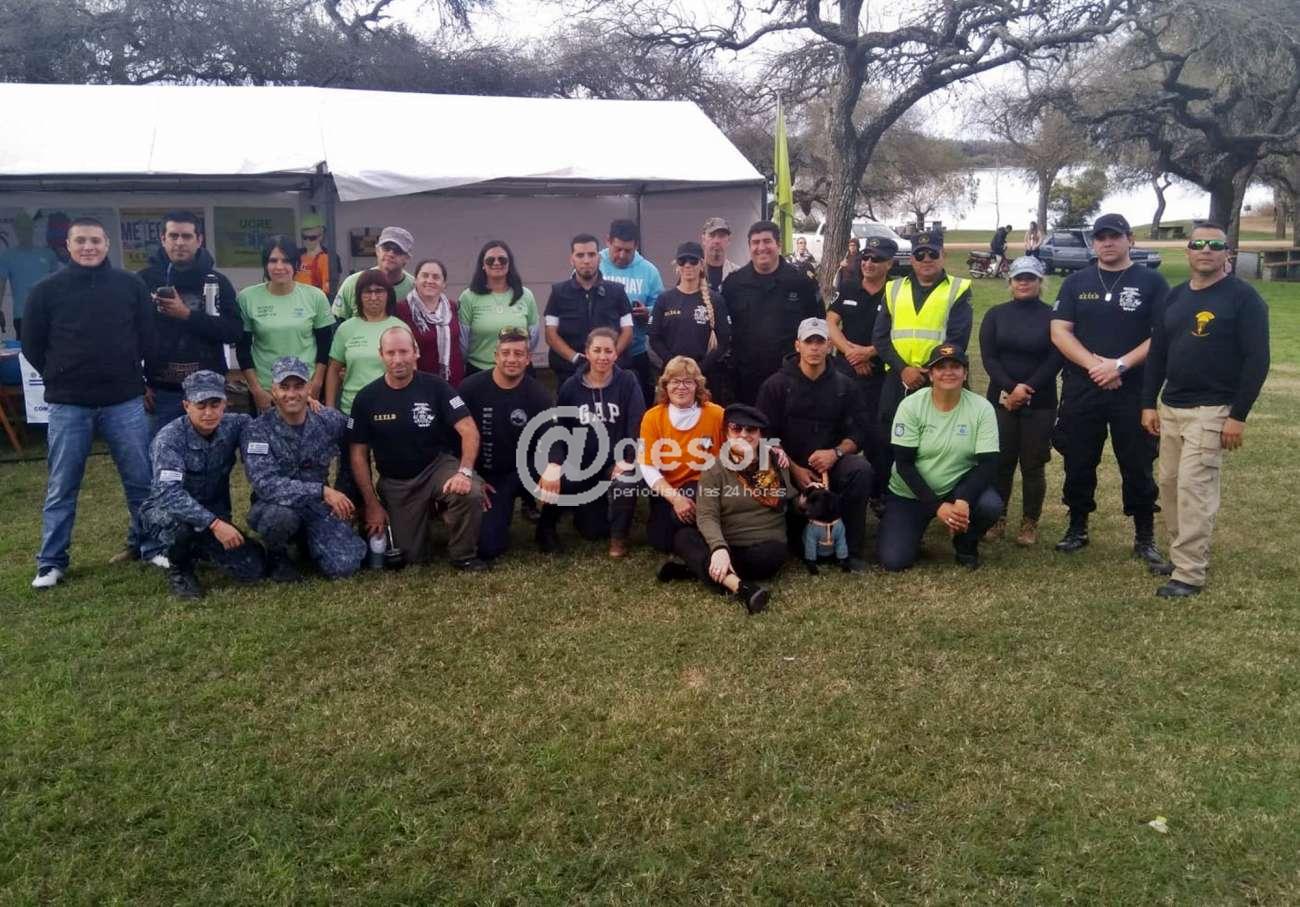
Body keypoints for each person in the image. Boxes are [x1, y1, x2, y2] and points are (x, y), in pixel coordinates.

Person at [23, 217, 166, 588]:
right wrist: (59, 375)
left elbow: (148, 336)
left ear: (107, 245)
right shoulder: (45, 290)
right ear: (68, 246)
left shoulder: (130, 285)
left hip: (124, 401)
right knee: (62, 485)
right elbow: (32, 344)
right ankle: (51, 563)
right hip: (69, 404)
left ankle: (151, 546)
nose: (89, 247)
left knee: (140, 480)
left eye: (95, 241)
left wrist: (132, 373)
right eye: (81, 241)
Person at [1141, 224, 1270, 598]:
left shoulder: (1244, 298)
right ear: (1188, 251)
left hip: (1212, 410)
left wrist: (1238, 416)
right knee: (1169, 485)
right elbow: (1158, 354)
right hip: (1172, 408)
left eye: (1215, 244)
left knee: (1194, 490)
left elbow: (1257, 360)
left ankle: (1189, 573)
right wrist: (1148, 403)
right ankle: (1180, 556)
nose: (1206, 250)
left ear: (1228, 253)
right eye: (1198, 243)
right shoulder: (1175, 296)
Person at [1050, 212, 1170, 567]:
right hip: (1082, 386)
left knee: (1137, 461)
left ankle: (1144, 535)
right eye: (1100, 237)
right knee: (1078, 458)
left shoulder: (1152, 282)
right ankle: (1077, 526)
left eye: (1114, 236)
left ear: (1129, 239)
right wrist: (1096, 367)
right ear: (1094, 243)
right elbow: (1059, 331)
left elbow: (1161, 334)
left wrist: (1120, 365)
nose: (1107, 243)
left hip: (1133, 388)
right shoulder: (1076, 282)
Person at [348, 326, 489, 571]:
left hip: (435, 467)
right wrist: (371, 504)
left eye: (404, 351)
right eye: (391, 353)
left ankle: (463, 555)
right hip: (397, 481)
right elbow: (358, 454)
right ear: (381, 355)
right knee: (410, 556)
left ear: (416, 352)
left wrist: (464, 472)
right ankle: (427, 515)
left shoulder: (437, 386)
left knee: (470, 492)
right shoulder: (366, 398)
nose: (398, 359)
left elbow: (469, 430)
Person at [756, 317, 872, 572]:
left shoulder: (845, 385)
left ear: (829, 345)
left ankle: (850, 551)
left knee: (860, 469)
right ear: (798, 345)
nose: (815, 348)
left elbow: (859, 433)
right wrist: (794, 468)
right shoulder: (775, 386)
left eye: (820, 341)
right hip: (785, 466)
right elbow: (764, 438)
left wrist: (836, 453)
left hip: (830, 465)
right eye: (809, 341)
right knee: (763, 471)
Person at [138, 370, 266, 599]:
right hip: (168, 512)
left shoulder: (237, 424)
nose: (208, 413)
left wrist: (307, 404)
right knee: (182, 530)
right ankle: (180, 570)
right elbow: (169, 494)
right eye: (201, 405)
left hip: (213, 513)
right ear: (186, 405)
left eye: (215, 404)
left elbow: (270, 425)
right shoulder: (169, 439)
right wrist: (215, 524)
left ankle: (201, 547)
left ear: (225, 404)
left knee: (253, 569)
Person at [657, 403, 795, 614]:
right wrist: (719, 548)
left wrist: (811, 499)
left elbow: (791, 499)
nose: (743, 435)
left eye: (751, 429)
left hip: (764, 545)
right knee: (683, 537)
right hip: (727, 541)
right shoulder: (714, 468)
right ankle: (743, 588)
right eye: (736, 428)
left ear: (760, 434)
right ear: (727, 433)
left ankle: (695, 569)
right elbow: (707, 515)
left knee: (772, 556)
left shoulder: (777, 461)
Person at [878, 344, 1002, 571]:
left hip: (955, 489)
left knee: (989, 505)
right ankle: (912, 532)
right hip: (911, 493)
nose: (948, 372)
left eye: (955, 366)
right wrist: (937, 506)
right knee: (894, 561)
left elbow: (988, 464)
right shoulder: (911, 405)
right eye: (941, 367)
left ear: (965, 373)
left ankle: (965, 544)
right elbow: (904, 465)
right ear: (930, 374)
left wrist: (963, 500)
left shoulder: (982, 408)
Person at [242, 356, 365, 581]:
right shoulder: (258, 429)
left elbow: (354, 440)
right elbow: (265, 484)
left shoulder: (328, 420)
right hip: (276, 505)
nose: (291, 394)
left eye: (298, 386)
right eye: (284, 387)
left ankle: (308, 543)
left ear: (309, 388)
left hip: (318, 507)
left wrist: (345, 494)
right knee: (280, 518)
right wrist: (322, 491)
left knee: (345, 565)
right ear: (274, 390)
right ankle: (277, 555)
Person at [537, 327, 645, 557]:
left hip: (613, 464)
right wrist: (554, 463)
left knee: (626, 481)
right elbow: (559, 428)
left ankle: (618, 539)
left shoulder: (627, 381)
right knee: (592, 530)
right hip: (582, 464)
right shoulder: (571, 386)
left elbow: (637, 423)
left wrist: (628, 459)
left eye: (608, 351)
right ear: (587, 352)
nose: (602, 356)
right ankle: (546, 528)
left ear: (616, 354)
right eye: (597, 350)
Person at [978, 256, 1063, 546]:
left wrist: (1026, 389)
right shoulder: (995, 315)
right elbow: (989, 357)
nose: (1024, 282)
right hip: (1002, 401)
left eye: (1030, 278)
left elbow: (1056, 358)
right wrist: (1011, 389)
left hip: (1040, 402)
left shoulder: (1053, 317)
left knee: (1033, 464)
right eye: (1018, 278)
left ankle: (1029, 523)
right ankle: (997, 518)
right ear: (1010, 281)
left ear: (1040, 282)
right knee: (1000, 462)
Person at [138, 210, 243, 435]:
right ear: (163, 239)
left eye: (186, 236)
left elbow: (234, 331)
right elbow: (127, 335)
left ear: (199, 240)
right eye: (173, 236)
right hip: (161, 392)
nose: (180, 242)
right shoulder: (144, 280)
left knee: (210, 454)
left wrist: (186, 315)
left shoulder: (217, 281)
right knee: (161, 453)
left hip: (208, 393)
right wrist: (138, 381)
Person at [460, 327, 554, 561]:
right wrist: (473, 477)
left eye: (519, 354)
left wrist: (553, 466)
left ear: (528, 358)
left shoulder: (539, 394)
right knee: (488, 548)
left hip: (527, 469)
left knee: (564, 475)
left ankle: (547, 527)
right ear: (496, 356)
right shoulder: (470, 388)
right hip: (491, 477)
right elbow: (453, 438)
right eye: (506, 353)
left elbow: (553, 436)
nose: (512, 359)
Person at [722, 220, 822, 406]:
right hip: (745, 379)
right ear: (749, 247)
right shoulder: (734, 284)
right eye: (755, 242)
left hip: (790, 376)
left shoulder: (801, 282)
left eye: (767, 241)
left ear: (779, 245)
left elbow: (817, 325)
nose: (761, 247)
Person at [638, 355, 726, 556]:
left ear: (697, 386)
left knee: (681, 515)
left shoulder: (716, 414)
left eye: (688, 382)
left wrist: (770, 448)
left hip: (703, 485)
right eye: (675, 382)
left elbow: (738, 443)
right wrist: (675, 499)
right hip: (668, 488)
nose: (681, 387)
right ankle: (693, 535)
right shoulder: (652, 417)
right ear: (665, 386)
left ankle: (707, 533)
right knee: (660, 541)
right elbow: (647, 465)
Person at [827, 235, 892, 507]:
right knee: (842, 430)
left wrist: (869, 352)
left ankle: (879, 494)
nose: (868, 263)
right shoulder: (849, 287)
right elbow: (831, 322)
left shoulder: (896, 292)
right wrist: (852, 354)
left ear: (889, 263)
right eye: (865, 257)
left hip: (880, 375)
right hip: (845, 373)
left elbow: (900, 332)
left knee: (878, 437)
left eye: (876, 259)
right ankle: (838, 489)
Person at [236, 236, 334, 412]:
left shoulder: (315, 297)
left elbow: (325, 345)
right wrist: (256, 390)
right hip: (267, 392)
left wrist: (316, 383)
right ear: (265, 264)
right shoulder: (247, 298)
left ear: (296, 264)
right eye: (273, 261)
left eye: (286, 261)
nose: (279, 267)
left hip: (305, 390)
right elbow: (242, 349)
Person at [544, 234, 633, 384]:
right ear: (571, 259)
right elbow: (550, 334)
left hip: (611, 375)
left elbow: (628, 331)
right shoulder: (558, 292)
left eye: (591, 255)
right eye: (580, 255)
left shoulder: (617, 291)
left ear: (599, 258)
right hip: (569, 373)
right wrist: (574, 357)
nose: (586, 260)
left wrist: (608, 357)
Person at [599, 218, 664, 405]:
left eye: (628, 251)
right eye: (617, 249)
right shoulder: (594, 263)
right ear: (608, 241)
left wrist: (647, 312)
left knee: (640, 404)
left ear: (636, 246)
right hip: (600, 355)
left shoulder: (649, 271)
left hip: (636, 352)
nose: (621, 255)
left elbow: (662, 307)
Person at [325, 270, 405, 417]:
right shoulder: (346, 329)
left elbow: (411, 369)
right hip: (351, 410)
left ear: (388, 294)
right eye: (367, 291)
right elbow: (334, 370)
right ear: (359, 296)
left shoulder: (400, 328)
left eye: (379, 291)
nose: (373, 297)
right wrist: (329, 409)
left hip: (392, 409)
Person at [649, 241, 731, 378]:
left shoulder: (716, 300)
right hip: (672, 375)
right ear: (677, 265)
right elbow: (654, 338)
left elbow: (723, 341)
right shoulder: (664, 299)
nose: (687, 265)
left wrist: (699, 368)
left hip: (705, 376)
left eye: (693, 260)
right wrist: (676, 366)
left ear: (702, 264)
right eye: (682, 261)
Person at [458, 239, 540, 376]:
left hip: (518, 371)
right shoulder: (468, 297)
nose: (496, 263)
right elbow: (462, 342)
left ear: (509, 263)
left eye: (502, 259)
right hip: (479, 372)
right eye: (490, 260)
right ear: (483, 265)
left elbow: (533, 337)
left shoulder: (526, 295)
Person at [397, 258, 464, 385]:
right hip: (420, 383)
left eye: (436, 277)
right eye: (425, 275)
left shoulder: (452, 307)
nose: (430, 281)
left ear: (444, 284)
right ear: (416, 280)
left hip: (452, 381)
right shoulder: (402, 310)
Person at [332, 226, 416, 321]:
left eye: (398, 250)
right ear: (377, 251)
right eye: (386, 248)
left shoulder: (415, 288)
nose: (391, 254)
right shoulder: (353, 282)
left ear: (407, 258)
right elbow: (337, 322)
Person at [0, 208, 60, 341]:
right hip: (22, 315)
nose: (24, 231)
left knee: (52, 348)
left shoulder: (48, 254)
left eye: (27, 227)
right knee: (26, 351)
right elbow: (1, 285)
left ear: (32, 228)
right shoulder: (8, 256)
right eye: (21, 228)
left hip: (48, 314)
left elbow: (57, 285)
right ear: (16, 230)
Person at [295, 213, 342, 296]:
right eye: (304, 237)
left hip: (318, 299)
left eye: (312, 238)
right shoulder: (296, 255)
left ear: (321, 236)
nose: (307, 241)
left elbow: (333, 286)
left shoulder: (331, 257)